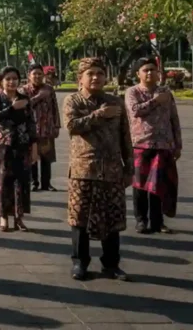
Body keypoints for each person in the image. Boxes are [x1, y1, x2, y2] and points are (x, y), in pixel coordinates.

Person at [63, 57, 132, 281]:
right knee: (79, 217)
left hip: (112, 169)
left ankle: (111, 264)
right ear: (80, 78)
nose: (95, 78)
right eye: (90, 74)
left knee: (112, 218)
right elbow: (72, 127)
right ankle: (80, 262)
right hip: (83, 169)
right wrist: (98, 115)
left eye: (100, 73)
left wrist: (129, 167)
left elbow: (125, 137)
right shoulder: (73, 101)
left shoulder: (116, 103)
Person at [125, 57, 182, 235]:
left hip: (163, 144)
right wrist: (156, 101)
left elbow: (174, 118)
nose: (150, 73)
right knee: (140, 185)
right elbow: (135, 111)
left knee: (159, 185)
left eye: (153, 69)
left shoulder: (166, 92)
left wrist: (177, 144)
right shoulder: (132, 92)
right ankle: (141, 220)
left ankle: (158, 222)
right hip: (140, 144)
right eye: (146, 70)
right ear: (138, 74)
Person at [0, 66, 38, 232]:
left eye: (14, 79)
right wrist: (12, 108)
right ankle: (4, 217)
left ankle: (19, 217)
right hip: (2, 145)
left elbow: (32, 123)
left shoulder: (25, 99)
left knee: (22, 182)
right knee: (3, 181)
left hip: (22, 144)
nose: (11, 82)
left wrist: (34, 146)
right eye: (8, 79)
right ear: (1, 81)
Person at [23, 64, 61, 192]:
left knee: (47, 157)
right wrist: (39, 97)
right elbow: (24, 106)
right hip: (30, 129)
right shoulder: (24, 90)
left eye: (40, 74)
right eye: (34, 74)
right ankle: (34, 182)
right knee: (32, 157)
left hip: (46, 128)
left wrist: (57, 126)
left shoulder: (49, 89)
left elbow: (55, 108)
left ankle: (46, 183)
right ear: (29, 75)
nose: (37, 76)